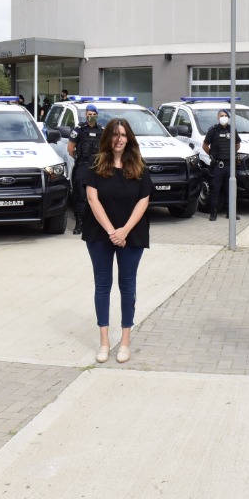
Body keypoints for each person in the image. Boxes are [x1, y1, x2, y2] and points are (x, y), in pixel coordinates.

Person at [82, 117, 153, 364]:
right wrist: (113, 231)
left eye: (123, 134)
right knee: (102, 285)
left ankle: (125, 342)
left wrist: (123, 232)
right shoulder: (96, 166)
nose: (119, 139)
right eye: (115, 134)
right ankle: (104, 342)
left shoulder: (140, 168)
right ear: (108, 138)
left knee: (127, 286)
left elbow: (144, 201)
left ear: (129, 138)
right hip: (100, 233)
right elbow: (93, 200)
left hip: (131, 234)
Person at [68, 103, 103, 235]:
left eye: (94, 115)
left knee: (98, 196)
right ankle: (80, 224)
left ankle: (96, 223)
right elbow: (70, 149)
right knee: (80, 196)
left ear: (97, 115)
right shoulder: (79, 130)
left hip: (97, 167)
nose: (92, 117)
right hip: (83, 165)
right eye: (89, 115)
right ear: (85, 115)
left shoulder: (102, 130)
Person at [203, 108, 240, 221]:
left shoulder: (232, 130)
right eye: (221, 115)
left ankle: (231, 213)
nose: (223, 117)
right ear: (218, 118)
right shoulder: (213, 130)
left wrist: (232, 153)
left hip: (230, 165)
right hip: (218, 165)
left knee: (231, 190)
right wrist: (212, 154)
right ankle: (213, 213)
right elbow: (205, 146)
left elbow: (237, 145)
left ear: (228, 118)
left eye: (225, 115)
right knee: (215, 190)